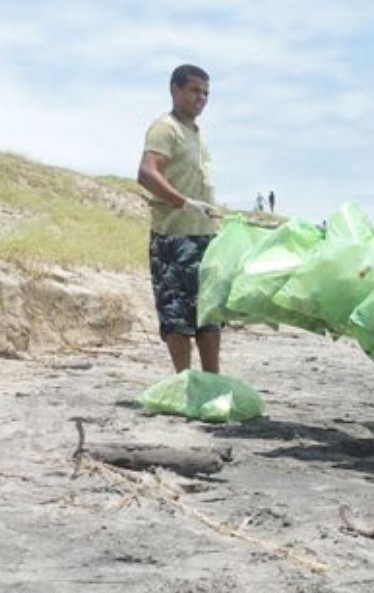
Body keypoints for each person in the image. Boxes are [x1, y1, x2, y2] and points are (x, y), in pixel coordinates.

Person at [137, 64, 222, 374]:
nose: (201, 98)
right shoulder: (165, 128)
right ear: (175, 89)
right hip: (174, 237)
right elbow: (147, 172)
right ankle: (184, 382)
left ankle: (212, 381)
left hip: (205, 237)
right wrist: (183, 203)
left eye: (205, 93)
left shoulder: (196, 134)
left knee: (208, 313)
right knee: (177, 314)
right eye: (194, 90)